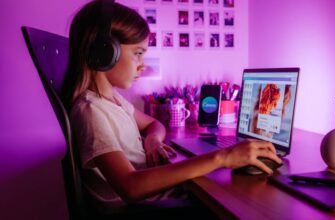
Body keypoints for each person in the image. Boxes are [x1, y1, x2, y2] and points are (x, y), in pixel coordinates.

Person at [62, 0, 282, 204]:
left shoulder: (112, 100)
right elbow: (130, 186)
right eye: (137, 53)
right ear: (105, 52)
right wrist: (222, 157)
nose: (142, 65)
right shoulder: (91, 112)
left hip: (161, 196)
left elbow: (153, 125)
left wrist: (152, 141)